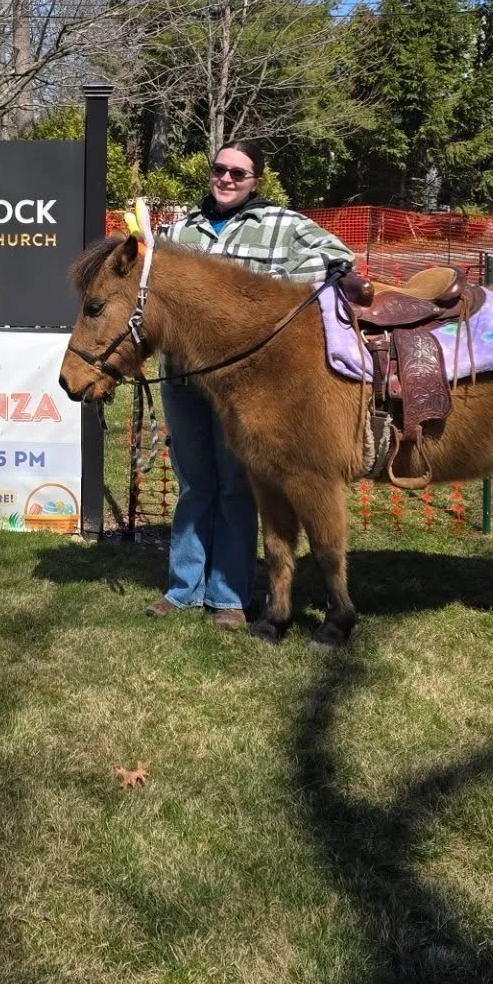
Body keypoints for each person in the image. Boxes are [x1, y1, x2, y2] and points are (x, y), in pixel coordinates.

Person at [148, 140, 353, 629]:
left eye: (238, 173)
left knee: (239, 487)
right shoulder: (178, 231)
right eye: (219, 169)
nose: (226, 179)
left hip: (247, 388)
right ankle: (183, 590)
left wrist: (277, 293)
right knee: (195, 484)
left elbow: (338, 260)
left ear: (255, 180)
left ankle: (228, 597)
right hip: (182, 378)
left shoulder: (282, 226)